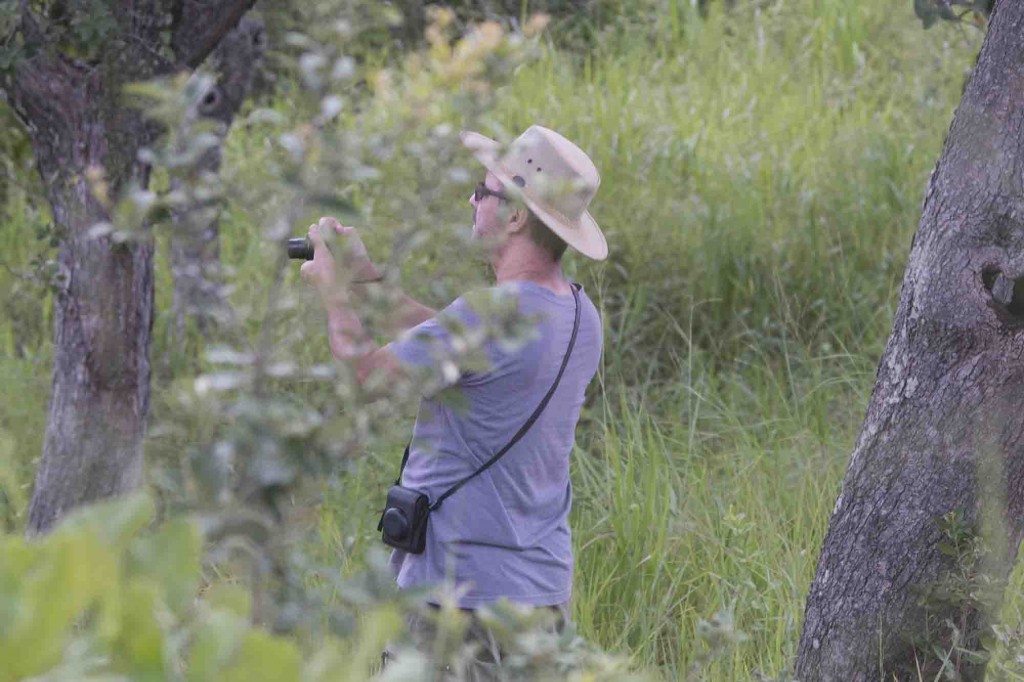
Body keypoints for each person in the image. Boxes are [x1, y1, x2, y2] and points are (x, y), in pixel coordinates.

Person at [300, 125, 607, 674]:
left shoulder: (487, 315)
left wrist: (332, 292)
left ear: (515, 216)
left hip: (456, 605)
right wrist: (367, 283)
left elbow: (369, 373)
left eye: (482, 189)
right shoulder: (581, 316)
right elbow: (452, 343)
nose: (472, 200)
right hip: (541, 599)